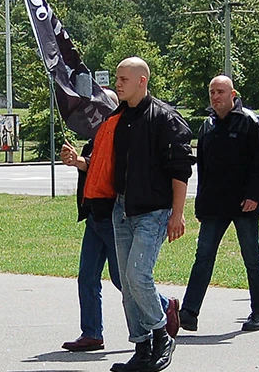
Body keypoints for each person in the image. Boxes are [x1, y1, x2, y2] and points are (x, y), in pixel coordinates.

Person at [83, 57, 194, 372]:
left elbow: (180, 170)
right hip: (121, 209)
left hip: (154, 211)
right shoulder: (117, 118)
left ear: (142, 81)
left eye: (123, 79)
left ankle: (161, 334)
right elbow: (105, 162)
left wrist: (178, 213)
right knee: (127, 286)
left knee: (137, 276)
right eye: (117, 79)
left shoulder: (164, 118)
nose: (117, 84)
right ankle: (142, 346)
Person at [59, 100, 179, 351]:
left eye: (100, 107)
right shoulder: (98, 136)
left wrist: (82, 162)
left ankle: (164, 306)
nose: (94, 113)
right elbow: (93, 165)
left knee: (123, 279)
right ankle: (92, 333)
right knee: (87, 277)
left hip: (116, 215)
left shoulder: (125, 131)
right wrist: (76, 161)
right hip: (95, 216)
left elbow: (109, 168)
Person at [179, 76, 259, 332]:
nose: (215, 97)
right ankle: (189, 313)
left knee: (252, 257)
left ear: (233, 94)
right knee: (203, 257)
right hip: (214, 205)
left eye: (220, 92)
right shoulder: (207, 125)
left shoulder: (250, 122)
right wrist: (200, 202)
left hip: (245, 204)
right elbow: (204, 168)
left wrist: (255, 196)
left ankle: (258, 312)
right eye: (212, 92)